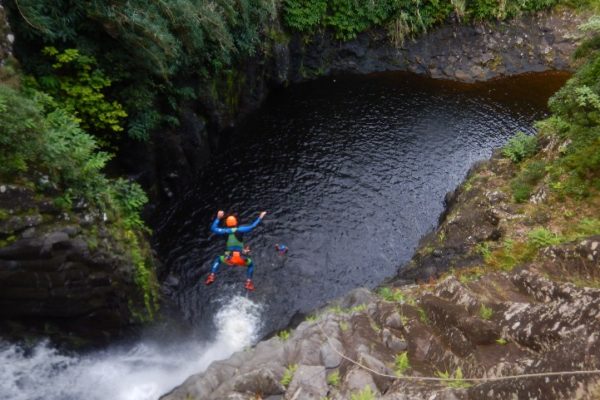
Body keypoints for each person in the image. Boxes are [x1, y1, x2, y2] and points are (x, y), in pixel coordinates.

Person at [205, 210, 267, 291]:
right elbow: (253, 226)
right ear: (236, 222)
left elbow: (213, 228)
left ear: (227, 223)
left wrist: (218, 218)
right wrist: (260, 217)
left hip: (228, 258)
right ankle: (248, 282)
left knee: (218, 259)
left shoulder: (224, 231)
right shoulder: (240, 229)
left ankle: (212, 275)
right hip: (240, 258)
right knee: (250, 264)